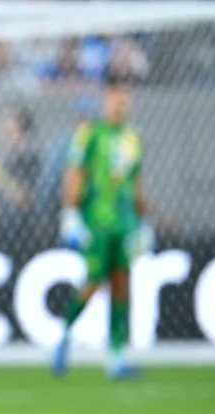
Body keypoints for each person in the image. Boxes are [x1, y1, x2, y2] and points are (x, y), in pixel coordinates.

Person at [52, 74, 153, 380]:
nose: (121, 103)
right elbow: (74, 173)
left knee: (122, 284)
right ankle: (63, 335)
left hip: (125, 224)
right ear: (105, 100)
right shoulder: (90, 133)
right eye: (116, 97)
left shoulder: (133, 138)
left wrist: (143, 220)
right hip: (96, 221)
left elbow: (135, 183)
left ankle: (116, 356)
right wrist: (70, 213)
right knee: (94, 281)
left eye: (125, 97)